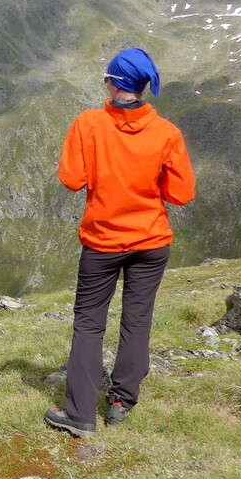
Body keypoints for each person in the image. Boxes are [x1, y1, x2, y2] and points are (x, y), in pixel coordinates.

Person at [44, 48, 195, 438]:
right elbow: (180, 194)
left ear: (113, 83)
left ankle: (79, 414)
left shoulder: (88, 124)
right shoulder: (167, 133)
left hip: (103, 241)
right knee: (138, 319)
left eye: (105, 78)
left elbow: (71, 179)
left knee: (90, 324)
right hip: (151, 240)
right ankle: (121, 401)